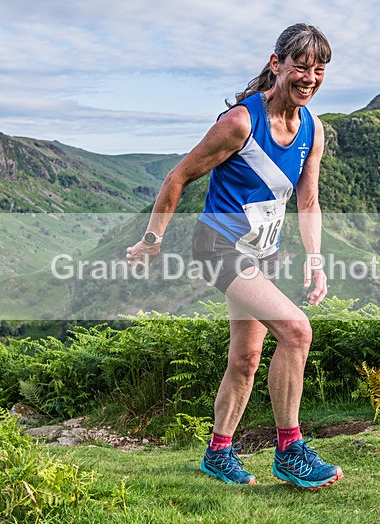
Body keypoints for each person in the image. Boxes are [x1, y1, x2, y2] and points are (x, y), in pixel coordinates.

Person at [126, 23, 342, 489]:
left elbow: (308, 200)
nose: (309, 77)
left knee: (246, 358)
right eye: (300, 66)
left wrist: (315, 259)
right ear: (276, 64)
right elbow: (177, 177)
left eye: (318, 70)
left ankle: (219, 452)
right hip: (218, 247)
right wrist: (152, 239)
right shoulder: (241, 123)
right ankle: (290, 450)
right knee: (297, 331)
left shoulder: (312, 129)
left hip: (261, 252)